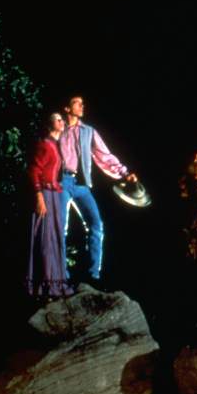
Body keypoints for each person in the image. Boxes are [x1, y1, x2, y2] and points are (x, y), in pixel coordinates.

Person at [58, 96, 137, 285]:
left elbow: (104, 156)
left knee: (96, 225)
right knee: (60, 228)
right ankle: (62, 276)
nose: (82, 106)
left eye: (82, 103)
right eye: (77, 103)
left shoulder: (88, 132)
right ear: (67, 108)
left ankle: (92, 275)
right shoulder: (57, 129)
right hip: (61, 182)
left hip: (81, 184)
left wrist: (124, 173)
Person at [26, 113, 74, 301]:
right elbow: (34, 170)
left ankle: (55, 284)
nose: (62, 121)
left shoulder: (56, 144)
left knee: (55, 236)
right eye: (57, 119)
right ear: (49, 124)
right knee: (45, 237)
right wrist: (39, 196)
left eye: (63, 119)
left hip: (55, 193)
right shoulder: (44, 144)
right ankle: (43, 287)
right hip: (45, 194)